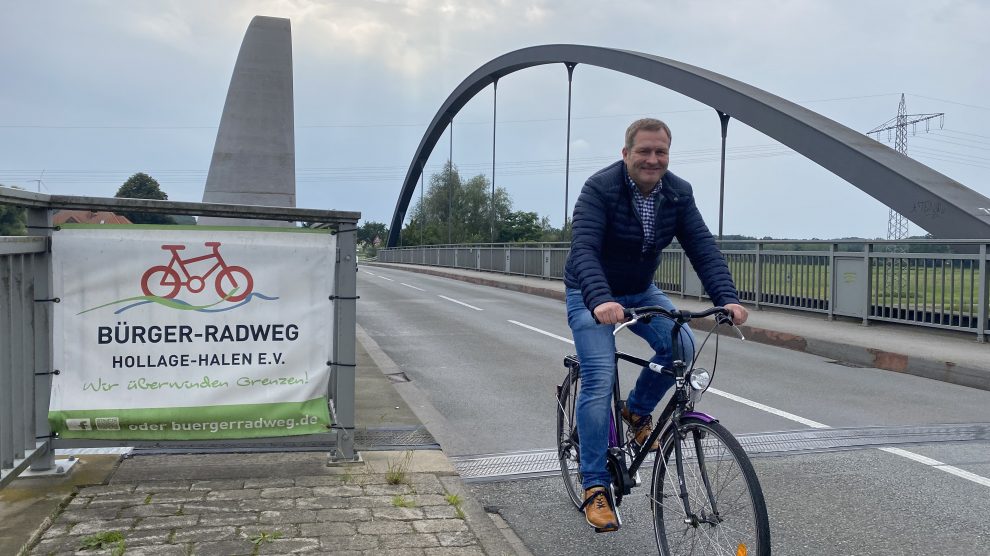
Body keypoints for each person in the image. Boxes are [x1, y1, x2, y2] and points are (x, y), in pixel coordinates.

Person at [563, 118, 748, 532]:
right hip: (590, 292)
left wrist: (727, 299)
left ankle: (636, 410)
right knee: (599, 373)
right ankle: (595, 486)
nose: (652, 159)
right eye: (643, 151)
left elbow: (702, 247)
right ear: (626, 153)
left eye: (660, 152)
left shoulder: (678, 193)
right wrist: (600, 299)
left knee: (681, 346)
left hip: (641, 290)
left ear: (668, 154)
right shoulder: (600, 189)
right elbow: (585, 248)